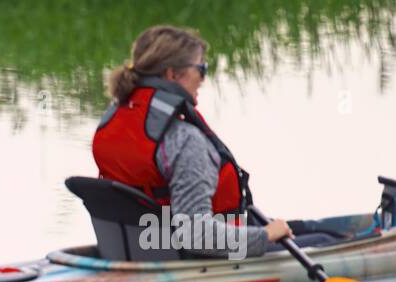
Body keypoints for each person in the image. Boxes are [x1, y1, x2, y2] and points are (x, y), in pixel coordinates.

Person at [93, 25, 316, 258]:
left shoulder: (112, 121)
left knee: (311, 229)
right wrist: (265, 236)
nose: (203, 78)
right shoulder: (184, 141)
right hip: (197, 256)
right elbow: (196, 236)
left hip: (143, 249)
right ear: (172, 75)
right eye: (201, 68)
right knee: (328, 240)